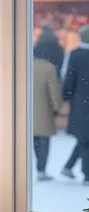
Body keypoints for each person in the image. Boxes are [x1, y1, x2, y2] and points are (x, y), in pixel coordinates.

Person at [63, 24, 89, 185]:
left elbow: (69, 80)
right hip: (82, 102)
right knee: (85, 139)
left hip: (80, 103)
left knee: (84, 137)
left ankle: (69, 167)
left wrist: (67, 96)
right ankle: (86, 175)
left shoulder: (76, 55)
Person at [33, 52, 63, 181]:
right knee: (44, 139)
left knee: (34, 138)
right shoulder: (48, 67)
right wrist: (57, 106)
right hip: (44, 108)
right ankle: (41, 169)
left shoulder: (27, 65)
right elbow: (53, 89)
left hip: (27, 108)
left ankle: (37, 167)